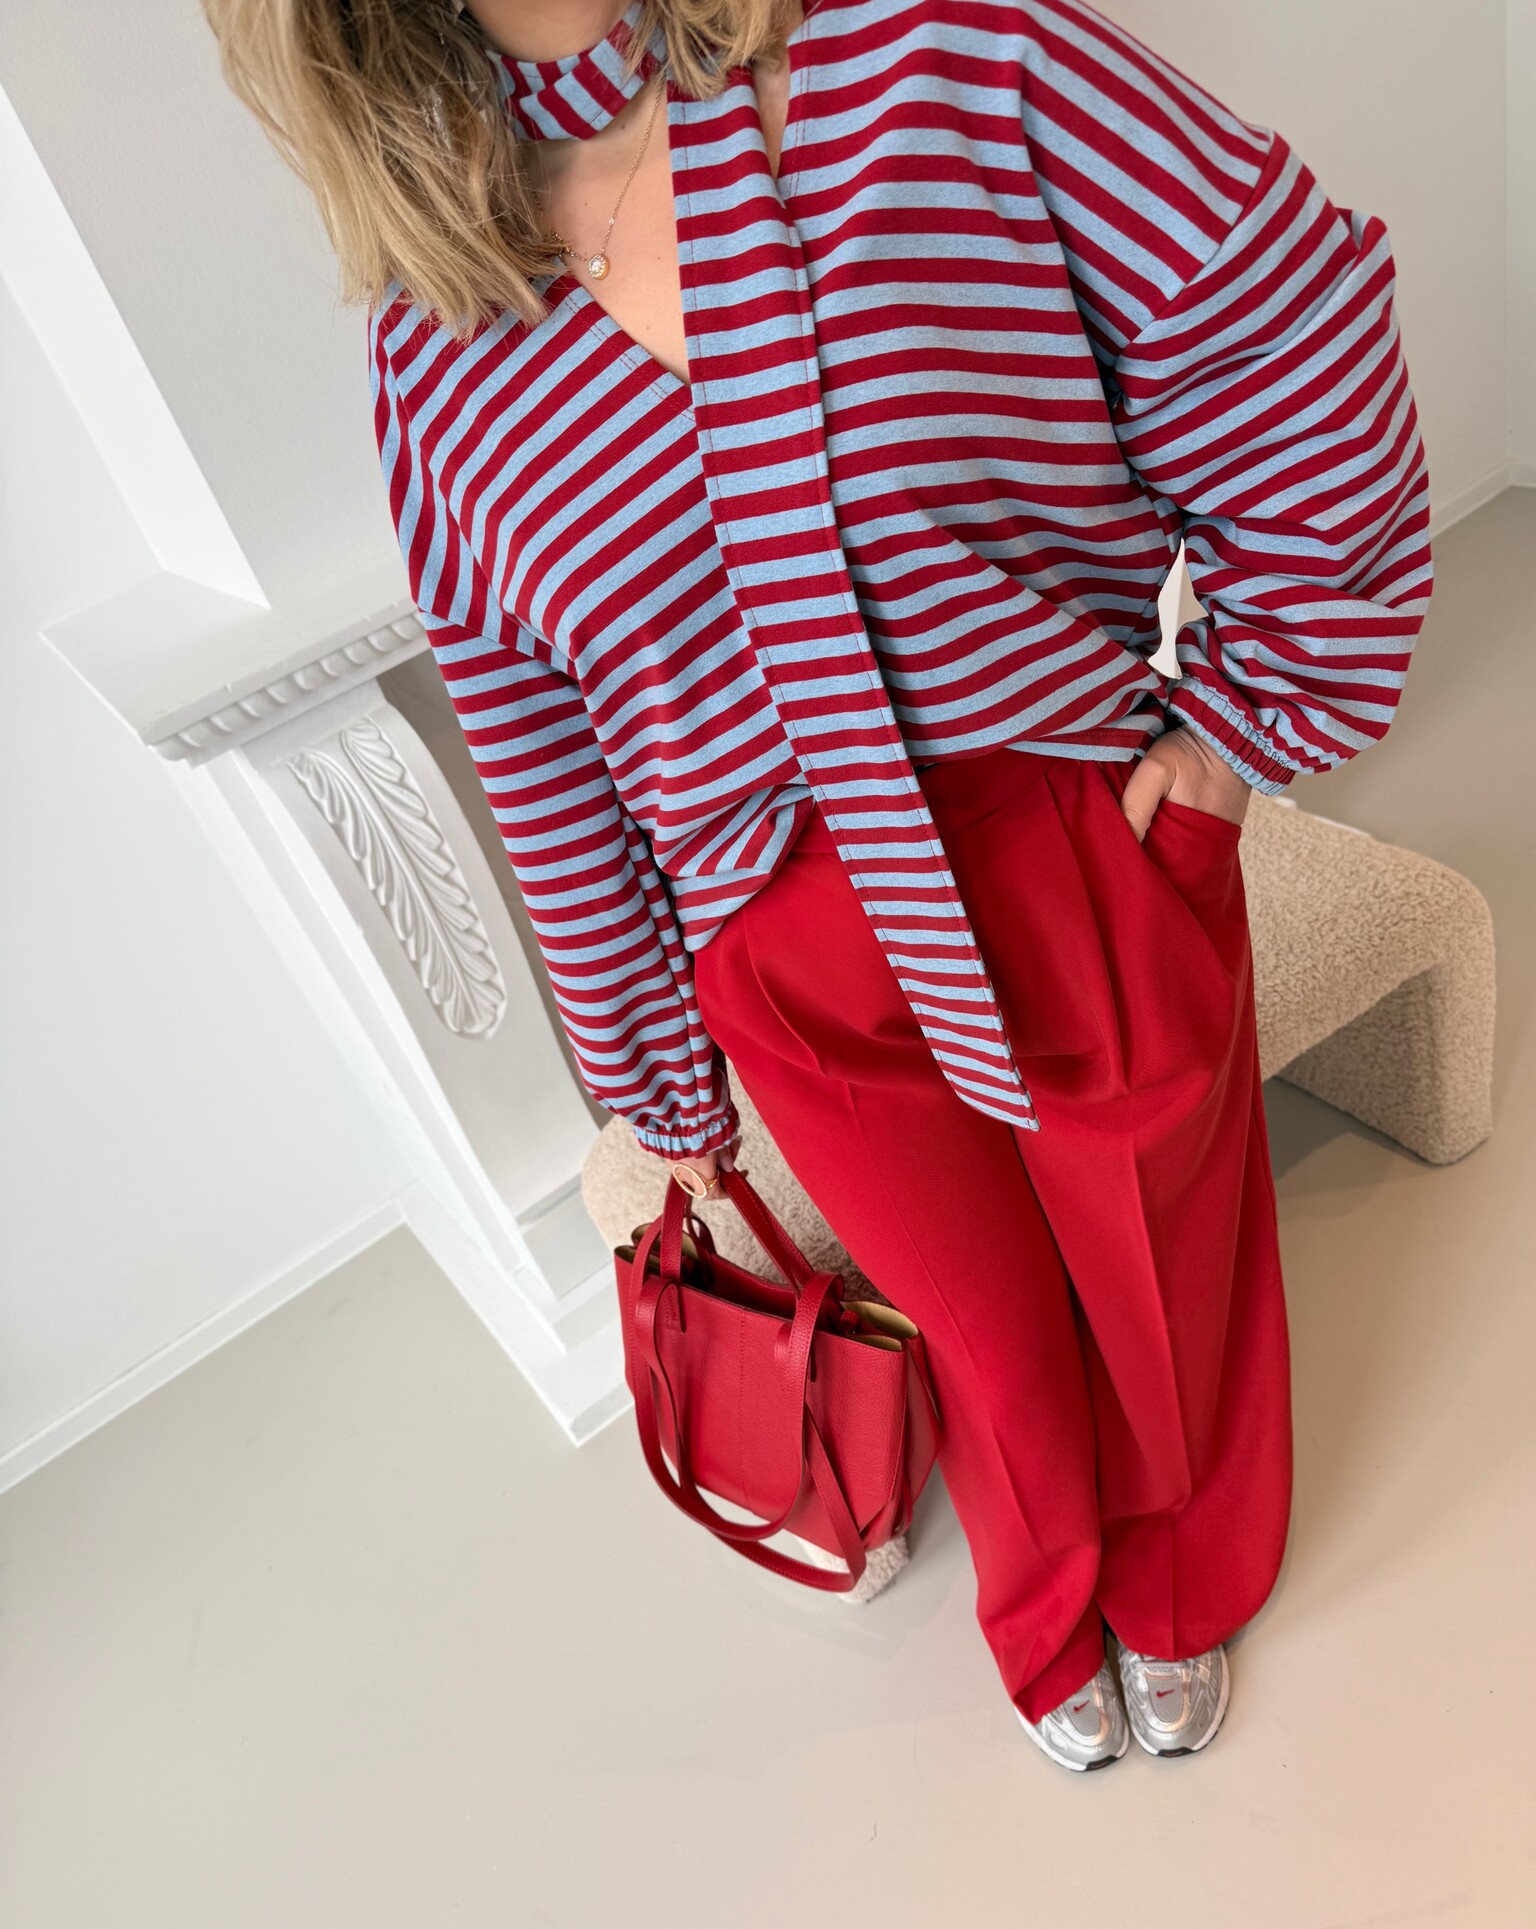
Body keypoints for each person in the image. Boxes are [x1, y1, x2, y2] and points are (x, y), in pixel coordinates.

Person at [206, 0, 1433, 1770]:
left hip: (1064, 834)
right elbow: (541, 743)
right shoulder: (443, 337)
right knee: (976, 1312)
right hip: (786, 939)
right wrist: (654, 1072)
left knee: (1165, 1243)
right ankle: (1048, 1598)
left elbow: (1284, 330)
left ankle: (1184, 1577)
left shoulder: (937, 60)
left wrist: (1240, 727)